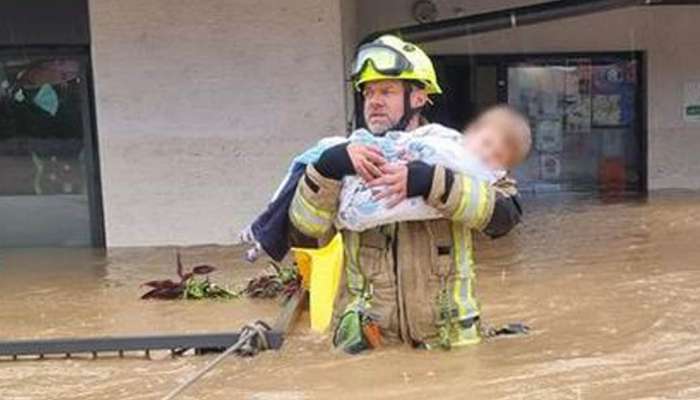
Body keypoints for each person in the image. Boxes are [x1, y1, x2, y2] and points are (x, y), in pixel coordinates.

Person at [241, 105, 530, 261]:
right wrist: (329, 168)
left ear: (417, 96)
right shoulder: (350, 155)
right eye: (369, 92)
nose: (374, 101)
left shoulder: (461, 157)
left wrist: (429, 181)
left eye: (387, 91)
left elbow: (505, 217)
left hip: (444, 339)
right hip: (367, 335)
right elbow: (306, 236)